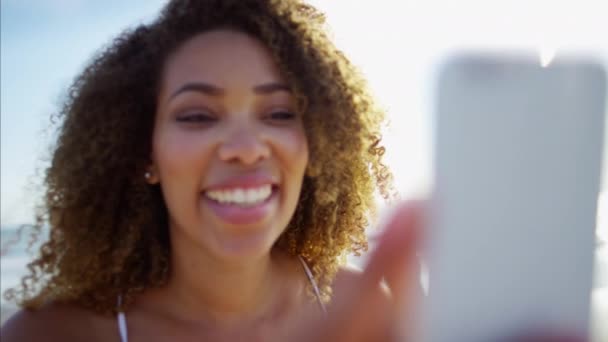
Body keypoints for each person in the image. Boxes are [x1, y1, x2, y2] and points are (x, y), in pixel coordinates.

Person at [0, 0, 423, 341]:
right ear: (144, 155)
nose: (246, 149)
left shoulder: (367, 310)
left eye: (278, 113)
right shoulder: (52, 334)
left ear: (315, 145)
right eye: (198, 116)